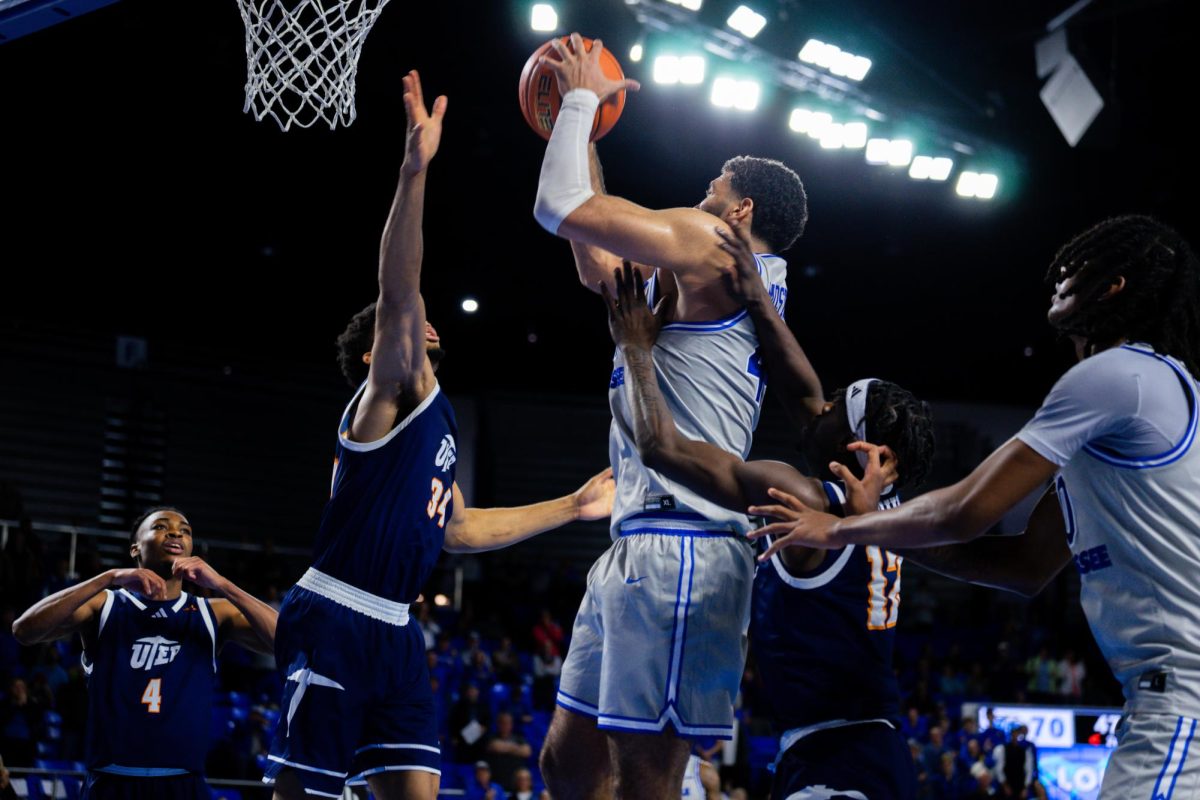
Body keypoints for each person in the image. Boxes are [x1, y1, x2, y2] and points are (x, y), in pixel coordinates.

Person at [750, 215, 1200, 799]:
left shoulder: (1114, 375)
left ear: (1114, 287)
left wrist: (845, 528)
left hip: (1181, 698)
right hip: (1164, 696)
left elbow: (965, 510)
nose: (1059, 274)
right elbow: (1026, 566)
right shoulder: (1144, 395)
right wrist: (878, 531)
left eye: (1077, 267)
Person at [263, 71, 614, 800]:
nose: (424, 321)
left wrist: (570, 508)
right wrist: (413, 172)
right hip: (336, 611)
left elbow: (455, 529)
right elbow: (399, 287)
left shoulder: (439, 417)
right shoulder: (385, 396)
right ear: (375, 356)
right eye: (404, 328)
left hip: (395, 630)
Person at [532, 33, 810, 800]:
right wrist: (583, 134)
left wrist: (582, 96)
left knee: (645, 781)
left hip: (683, 547)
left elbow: (558, 209)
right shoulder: (715, 272)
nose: (701, 193)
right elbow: (594, 247)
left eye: (713, 185)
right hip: (643, 540)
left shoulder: (715, 245)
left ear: (740, 209)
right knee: (566, 763)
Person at [603, 259, 934, 799]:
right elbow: (802, 393)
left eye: (834, 406)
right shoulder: (882, 515)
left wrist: (635, 348)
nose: (820, 405)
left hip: (840, 756)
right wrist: (759, 299)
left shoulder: (800, 495)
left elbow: (659, 446)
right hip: (858, 745)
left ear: (857, 448)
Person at [10, 507, 277, 799]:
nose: (176, 532)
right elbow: (25, 630)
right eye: (161, 527)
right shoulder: (105, 604)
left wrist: (222, 584)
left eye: (185, 530)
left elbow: (289, 642)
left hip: (184, 782)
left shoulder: (213, 612)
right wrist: (107, 577)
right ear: (135, 547)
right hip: (112, 780)